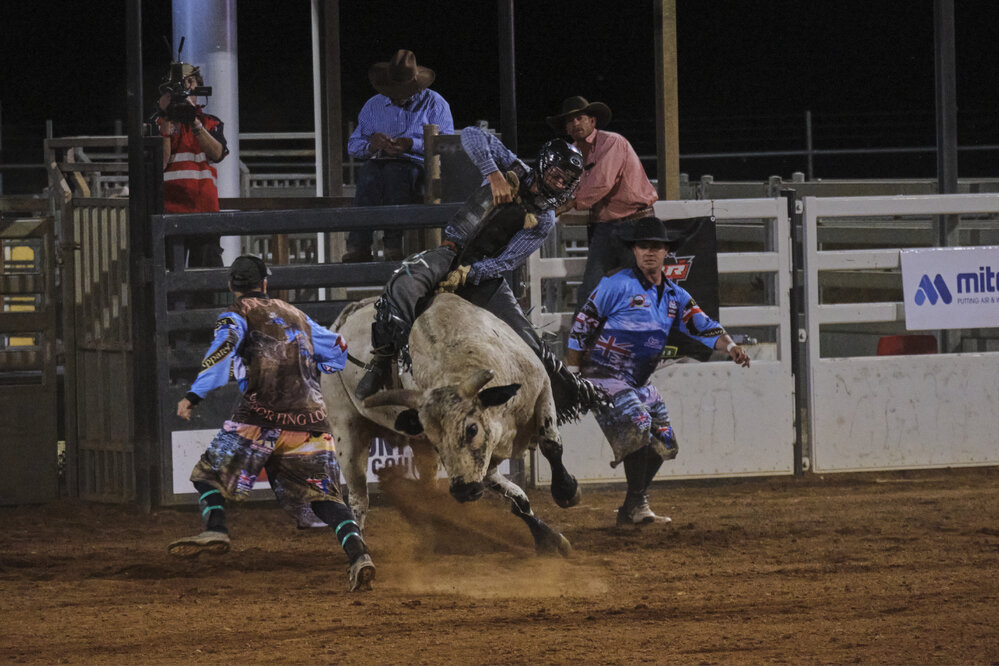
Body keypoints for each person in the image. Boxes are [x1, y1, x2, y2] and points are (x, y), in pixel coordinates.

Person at [354, 125, 606, 425]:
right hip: (450, 252)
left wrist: (469, 273)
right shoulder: (514, 168)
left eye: (567, 179)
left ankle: (562, 399)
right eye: (557, 173)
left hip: (485, 274)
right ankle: (382, 360)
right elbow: (472, 134)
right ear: (544, 164)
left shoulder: (543, 219)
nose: (561, 181)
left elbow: (507, 261)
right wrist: (494, 173)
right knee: (405, 282)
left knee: (529, 341)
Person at [168, 255, 376, 592]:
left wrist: (194, 394)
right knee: (325, 498)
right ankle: (359, 555)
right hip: (310, 420)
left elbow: (224, 349)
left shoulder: (236, 315)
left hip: (258, 417)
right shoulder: (299, 316)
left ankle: (217, 528)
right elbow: (338, 347)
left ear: (231, 286)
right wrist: (320, 369)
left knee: (208, 475)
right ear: (265, 283)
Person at [565, 217, 751, 526]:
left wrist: (730, 346)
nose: (649, 252)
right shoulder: (616, 284)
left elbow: (701, 324)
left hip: (639, 381)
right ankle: (637, 504)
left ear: (666, 252)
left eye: (656, 247)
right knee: (639, 425)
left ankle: (631, 506)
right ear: (634, 251)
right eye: (643, 247)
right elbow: (583, 324)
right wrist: (573, 371)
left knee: (665, 442)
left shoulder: (675, 295)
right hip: (603, 375)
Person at [545, 96, 658, 308]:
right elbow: (559, 180)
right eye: (570, 121)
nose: (575, 124)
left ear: (592, 121)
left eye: (580, 118)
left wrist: (565, 204)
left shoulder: (612, 142)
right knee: (591, 292)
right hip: (606, 227)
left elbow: (601, 182)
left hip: (635, 225)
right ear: (566, 128)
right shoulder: (572, 153)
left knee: (637, 295)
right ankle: (588, 340)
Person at [344, 49, 455, 263]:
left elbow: (447, 145)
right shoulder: (373, 106)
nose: (399, 94)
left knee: (395, 173)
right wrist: (372, 145)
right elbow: (353, 146)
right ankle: (359, 244)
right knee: (369, 173)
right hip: (382, 164)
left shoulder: (434, 103)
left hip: (420, 167)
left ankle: (393, 244)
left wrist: (412, 144)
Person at [152, 61, 229, 268]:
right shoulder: (157, 125)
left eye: (189, 83)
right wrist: (166, 121)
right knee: (168, 280)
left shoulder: (210, 122)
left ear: (198, 86)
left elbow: (218, 153)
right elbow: (160, 164)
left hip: (205, 212)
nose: (184, 90)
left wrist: (194, 122)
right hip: (169, 213)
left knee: (206, 278)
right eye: (175, 87)